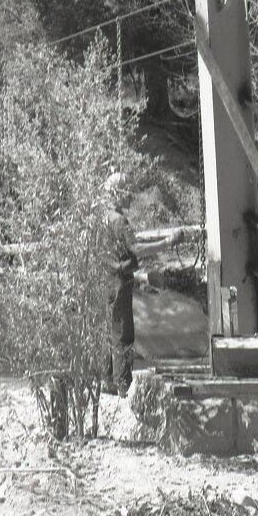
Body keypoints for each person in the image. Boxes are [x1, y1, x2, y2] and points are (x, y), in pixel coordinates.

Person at [99, 170, 139, 396]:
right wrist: (169, 241)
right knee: (123, 332)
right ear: (118, 193)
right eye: (128, 191)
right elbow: (137, 248)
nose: (131, 196)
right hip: (121, 281)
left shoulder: (103, 217)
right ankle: (124, 384)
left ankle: (109, 381)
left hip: (108, 280)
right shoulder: (120, 220)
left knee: (110, 331)